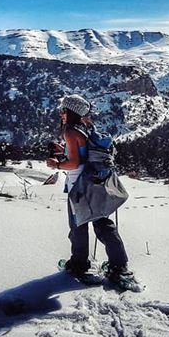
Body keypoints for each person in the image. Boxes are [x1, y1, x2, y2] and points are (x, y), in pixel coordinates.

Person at [47, 94, 134, 285]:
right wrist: (64, 152)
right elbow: (82, 154)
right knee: (102, 222)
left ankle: (79, 264)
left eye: (63, 110)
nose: (60, 113)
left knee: (78, 226)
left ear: (70, 111)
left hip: (78, 186)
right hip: (93, 182)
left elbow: (74, 162)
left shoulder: (70, 132)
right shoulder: (85, 129)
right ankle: (119, 265)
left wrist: (56, 164)